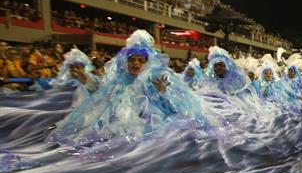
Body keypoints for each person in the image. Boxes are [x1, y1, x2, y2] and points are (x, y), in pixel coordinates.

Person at [51, 30, 212, 145]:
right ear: (126, 61)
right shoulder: (118, 81)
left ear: (147, 63)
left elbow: (172, 110)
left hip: (146, 133)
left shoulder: (153, 81)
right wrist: (87, 81)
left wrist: (162, 93)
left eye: (141, 60)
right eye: (132, 59)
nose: (136, 63)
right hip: (117, 131)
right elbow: (100, 96)